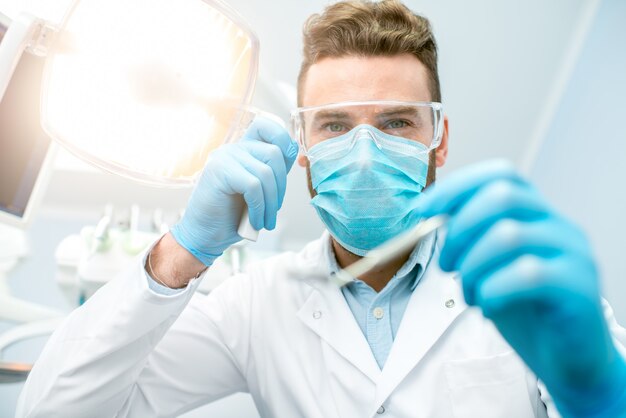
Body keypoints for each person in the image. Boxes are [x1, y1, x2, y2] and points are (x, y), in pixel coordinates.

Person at [17, 1, 626, 417]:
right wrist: (182, 250)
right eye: (334, 125)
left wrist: (601, 390)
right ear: (300, 147)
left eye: (395, 123)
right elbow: (54, 408)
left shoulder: (521, 286)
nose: (363, 154)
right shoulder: (257, 306)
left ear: (438, 138)